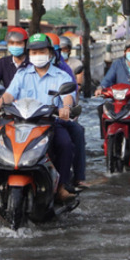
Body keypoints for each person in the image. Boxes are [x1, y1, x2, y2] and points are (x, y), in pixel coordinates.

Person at [0, 33, 77, 202]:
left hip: (49, 123)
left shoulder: (61, 76)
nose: (38, 55)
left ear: (50, 53)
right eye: (34, 52)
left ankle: (62, 186)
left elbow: (68, 96)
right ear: (29, 54)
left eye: (41, 51)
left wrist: (65, 107)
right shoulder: (22, 74)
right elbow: (9, 93)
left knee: (65, 144)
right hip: (21, 123)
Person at [46, 33, 87, 188]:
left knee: (74, 134)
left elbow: (71, 93)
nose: (43, 56)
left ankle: (77, 178)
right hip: (30, 118)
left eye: (47, 51)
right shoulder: (25, 72)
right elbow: (13, 93)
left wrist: (66, 108)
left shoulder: (63, 70)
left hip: (56, 118)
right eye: (37, 52)